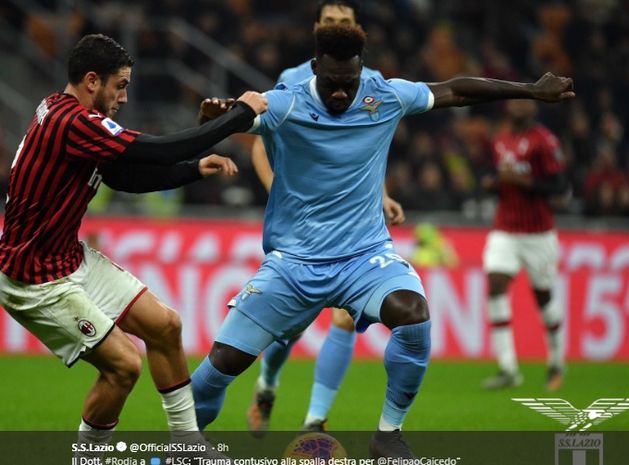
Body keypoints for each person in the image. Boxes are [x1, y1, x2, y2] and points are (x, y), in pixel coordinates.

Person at [193, 24, 573, 458]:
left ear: (361, 71)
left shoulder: (384, 95)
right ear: (315, 68)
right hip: (294, 264)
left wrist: (529, 90)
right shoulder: (288, 100)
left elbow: (455, 91)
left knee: (414, 316)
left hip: (365, 258)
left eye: (349, 84)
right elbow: (239, 118)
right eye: (332, 84)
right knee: (219, 368)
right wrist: (217, 117)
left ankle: (388, 436)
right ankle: (186, 442)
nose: (341, 94)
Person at [0, 34, 266, 449]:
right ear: (91, 81)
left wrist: (193, 169)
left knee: (165, 325)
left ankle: (187, 447)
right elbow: (153, 150)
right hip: (33, 278)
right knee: (123, 366)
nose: (122, 97)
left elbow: (125, 177)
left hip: (66, 258)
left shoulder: (66, 113)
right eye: (119, 85)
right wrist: (239, 114)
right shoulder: (74, 122)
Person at [246, 0, 406, 436]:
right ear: (318, 29)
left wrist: (382, 197)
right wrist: (278, 193)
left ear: (358, 31)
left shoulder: (373, 83)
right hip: (301, 228)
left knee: (345, 318)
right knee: (289, 328)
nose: (337, 26)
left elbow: (365, 152)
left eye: (345, 22)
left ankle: (315, 420)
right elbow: (262, 143)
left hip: (355, 230)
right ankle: (268, 382)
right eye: (331, 21)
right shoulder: (293, 81)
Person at [480, 99, 568, 391]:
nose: (518, 106)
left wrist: (521, 180)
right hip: (505, 228)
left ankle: (556, 359)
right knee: (495, 285)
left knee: (543, 297)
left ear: (533, 108)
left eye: (524, 102)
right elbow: (500, 179)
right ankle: (507, 368)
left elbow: (559, 187)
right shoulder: (500, 139)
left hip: (538, 233)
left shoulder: (544, 140)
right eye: (515, 100)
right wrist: (494, 184)